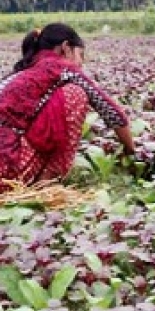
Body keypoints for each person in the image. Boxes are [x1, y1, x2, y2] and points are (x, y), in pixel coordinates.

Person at [0, 23, 135, 189]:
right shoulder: (61, 67)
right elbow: (110, 110)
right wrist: (130, 149)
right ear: (65, 47)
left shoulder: (21, 73)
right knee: (75, 94)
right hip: (6, 171)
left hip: (6, 157)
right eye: (80, 54)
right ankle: (46, 186)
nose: (81, 62)